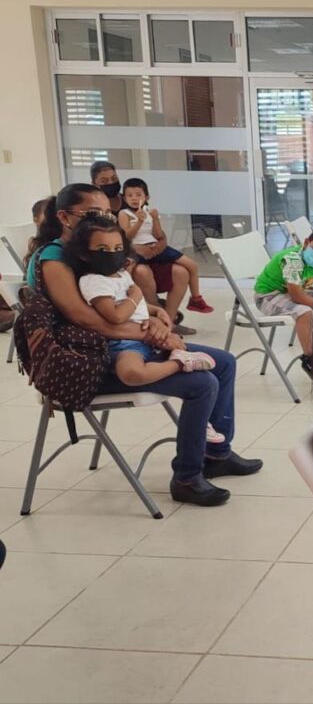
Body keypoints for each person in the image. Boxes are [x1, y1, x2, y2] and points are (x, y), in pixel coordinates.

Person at [27, 183, 261, 507]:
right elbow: (84, 320)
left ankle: (216, 454)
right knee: (202, 382)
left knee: (224, 363)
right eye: (93, 214)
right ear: (65, 218)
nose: (105, 220)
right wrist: (148, 333)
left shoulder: (96, 253)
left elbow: (123, 298)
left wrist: (154, 316)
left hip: (123, 342)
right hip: (88, 361)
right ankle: (187, 477)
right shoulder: (55, 259)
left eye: (107, 212)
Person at [68, 216, 217, 385]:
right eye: (103, 249)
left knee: (221, 365)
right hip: (124, 343)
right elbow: (116, 316)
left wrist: (156, 310)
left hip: (145, 337)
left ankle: (180, 356)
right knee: (132, 373)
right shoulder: (93, 281)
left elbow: (132, 305)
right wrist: (136, 294)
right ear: (84, 253)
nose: (112, 253)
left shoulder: (121, 274)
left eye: (117, 248)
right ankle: (180, 363)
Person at [89, 161, 195, 336]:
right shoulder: (99, 208)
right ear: (95, 184)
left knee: (181, 272)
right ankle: (156, 321)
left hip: (151, 253)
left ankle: (169, 321)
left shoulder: (132, 198)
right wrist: (133, 248)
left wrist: (160, 243)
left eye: (114, 178)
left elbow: (154, 230)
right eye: (104, 180)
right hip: (127, 259)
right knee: (143, 273)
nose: (110, 183)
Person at [119, 178, 213, 315]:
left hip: (155, 247)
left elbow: (158, 235)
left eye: (138, 195)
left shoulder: (149, 212)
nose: (134, 198)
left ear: (147, 197)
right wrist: (139, 221)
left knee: (192, 265)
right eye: (129, 195)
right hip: (137, 250)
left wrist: (155, 219)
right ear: (124, 198)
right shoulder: (124, 214)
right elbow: (127, 236)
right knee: (129, 270)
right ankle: (126, 298)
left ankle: (196, 299)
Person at [253, 223, 313, 369]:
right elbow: (297, 297)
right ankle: (310, 358)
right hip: (268, 296)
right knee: (305, 313)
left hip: (291, 292)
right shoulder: (292, 260)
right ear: (306, 243)